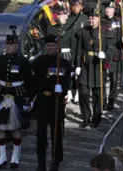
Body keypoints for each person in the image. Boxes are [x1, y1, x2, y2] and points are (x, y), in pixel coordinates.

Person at [0, 26, 34, 170]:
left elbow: (29, 81)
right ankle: (2, 156)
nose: (9, 47)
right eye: (8, 44)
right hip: (2, 94)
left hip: (18, 95)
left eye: (12, 44)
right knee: (0, 127)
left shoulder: (23, 61)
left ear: (17, 45)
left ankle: (15, 155)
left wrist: (28, 99)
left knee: (16, 127)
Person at [32, 35, 73, 171]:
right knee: (41, 135)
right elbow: (33, 81)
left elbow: (69, 79)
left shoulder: (64, 63)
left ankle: (55, 161)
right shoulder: (38, 62)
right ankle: (41, 163)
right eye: (48, 46)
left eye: (53, 46)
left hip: (56, 103)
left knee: (57, 136)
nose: (50, 48)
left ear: (57, 47)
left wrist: (64, 89)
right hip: (43, 101)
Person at [74, 10, 106, 128]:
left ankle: (96, 118)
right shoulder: (83, 32)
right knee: (83, 92)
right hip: (85, 64)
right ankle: (86, 117)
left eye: (94, 18)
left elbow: (110, 47)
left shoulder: (103, 32)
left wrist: (106, 54)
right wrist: (77, 65)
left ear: (99, 19)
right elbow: (78, 50)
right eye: (90, 18)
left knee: (98, 93)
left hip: (98, 64)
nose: (91, 20)